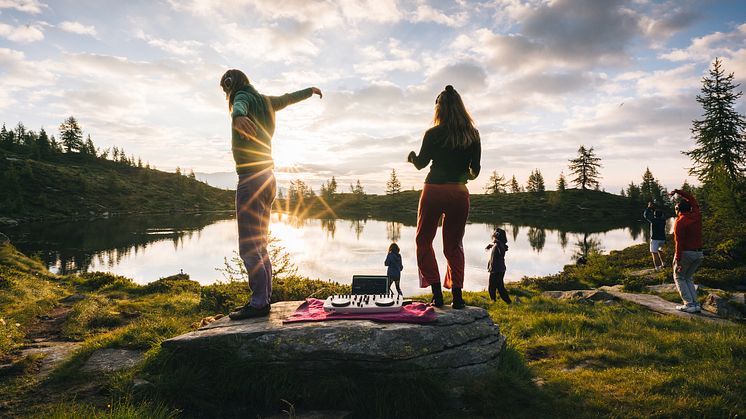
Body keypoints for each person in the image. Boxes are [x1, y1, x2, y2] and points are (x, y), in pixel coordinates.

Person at [220, 69, 322, 320]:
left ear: (230, 85)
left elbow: (239, 106)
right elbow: (288, 98)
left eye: (225, 90)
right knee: (261, 243)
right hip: (269, 179)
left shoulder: (241, 96)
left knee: (248, 245)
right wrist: (309, 91)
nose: (227, 94)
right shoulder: (267, 101)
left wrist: (238, 116)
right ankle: (263, 299)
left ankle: (258, 303)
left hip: (251, 179)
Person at [407, 85, 481, 309]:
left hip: (434, 191)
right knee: (453, 244)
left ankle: (437, 294)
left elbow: (421, 164)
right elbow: (475, 171)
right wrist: (461, 174)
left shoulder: (433, 134)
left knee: (423, 240)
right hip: (459, 193)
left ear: (440, 108)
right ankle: (457, 298)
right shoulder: (472, 134)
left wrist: (411, 157)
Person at [669, 188, 703, 313]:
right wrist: (678, 191)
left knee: (679, 277)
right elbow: (692, 199)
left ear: (678, 210)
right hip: (699, 254)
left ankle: (689, 305)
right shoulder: (697, 215)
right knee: (688, 278)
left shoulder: (679, 222)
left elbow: (679, 243)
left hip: (686, 254)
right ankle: (695, 304)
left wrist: (677, 260)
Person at [486, 228, 511, 304]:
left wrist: (496, 242)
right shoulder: (497, 244)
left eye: (495, 234)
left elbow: (502, 252)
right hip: (496, 269)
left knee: (498, 287)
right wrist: (491, 245)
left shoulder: (500, 244)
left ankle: (507, 301)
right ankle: (495, 300)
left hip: (498, 270)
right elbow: (497, 246)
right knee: (494, 286)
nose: (493, 235)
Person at [643, 202, 667, 271]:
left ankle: (657, 268)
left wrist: (649, 207)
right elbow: (659, 214)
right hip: (662, 239)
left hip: (655, 239)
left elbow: (645, 215)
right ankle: (663, 263)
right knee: (660, 251)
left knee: (654, 252)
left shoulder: (653, 220)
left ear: (654, 215)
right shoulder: (663, 220)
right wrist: (653, 209)